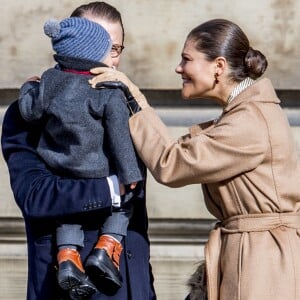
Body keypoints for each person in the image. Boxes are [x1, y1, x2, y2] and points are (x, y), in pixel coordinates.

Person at [89, 18, 300, 300]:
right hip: (256, 255)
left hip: (263, 265)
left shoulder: (250, 121)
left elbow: (170, 164)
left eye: (186, 59)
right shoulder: (246, 114)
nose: (178, 68)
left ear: (219, 66)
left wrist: (132, 98)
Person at [1, 2, 156, 300]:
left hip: (131, 287)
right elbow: (35, 195)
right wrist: (111, 188)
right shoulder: (28, 113)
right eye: (102, 47)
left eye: (116, 49)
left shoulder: (127, 106)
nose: (109, 61)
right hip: (68, 288)